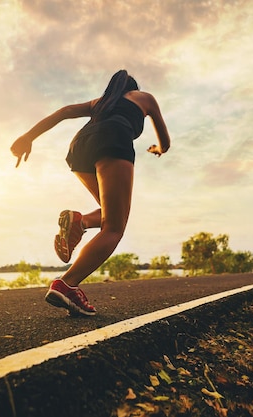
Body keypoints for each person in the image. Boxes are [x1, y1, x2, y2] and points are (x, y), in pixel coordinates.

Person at [10, 70, 171, 316]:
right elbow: (166, 142)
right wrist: (158, 149)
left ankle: (81, 221)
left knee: (110, 214)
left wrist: (28, 137)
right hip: (114, 140)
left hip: (81, 146)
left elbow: (64, 112)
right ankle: (67, 284)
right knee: (115, 227)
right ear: (133, 87)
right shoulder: (144, 98)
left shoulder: (100, 102)